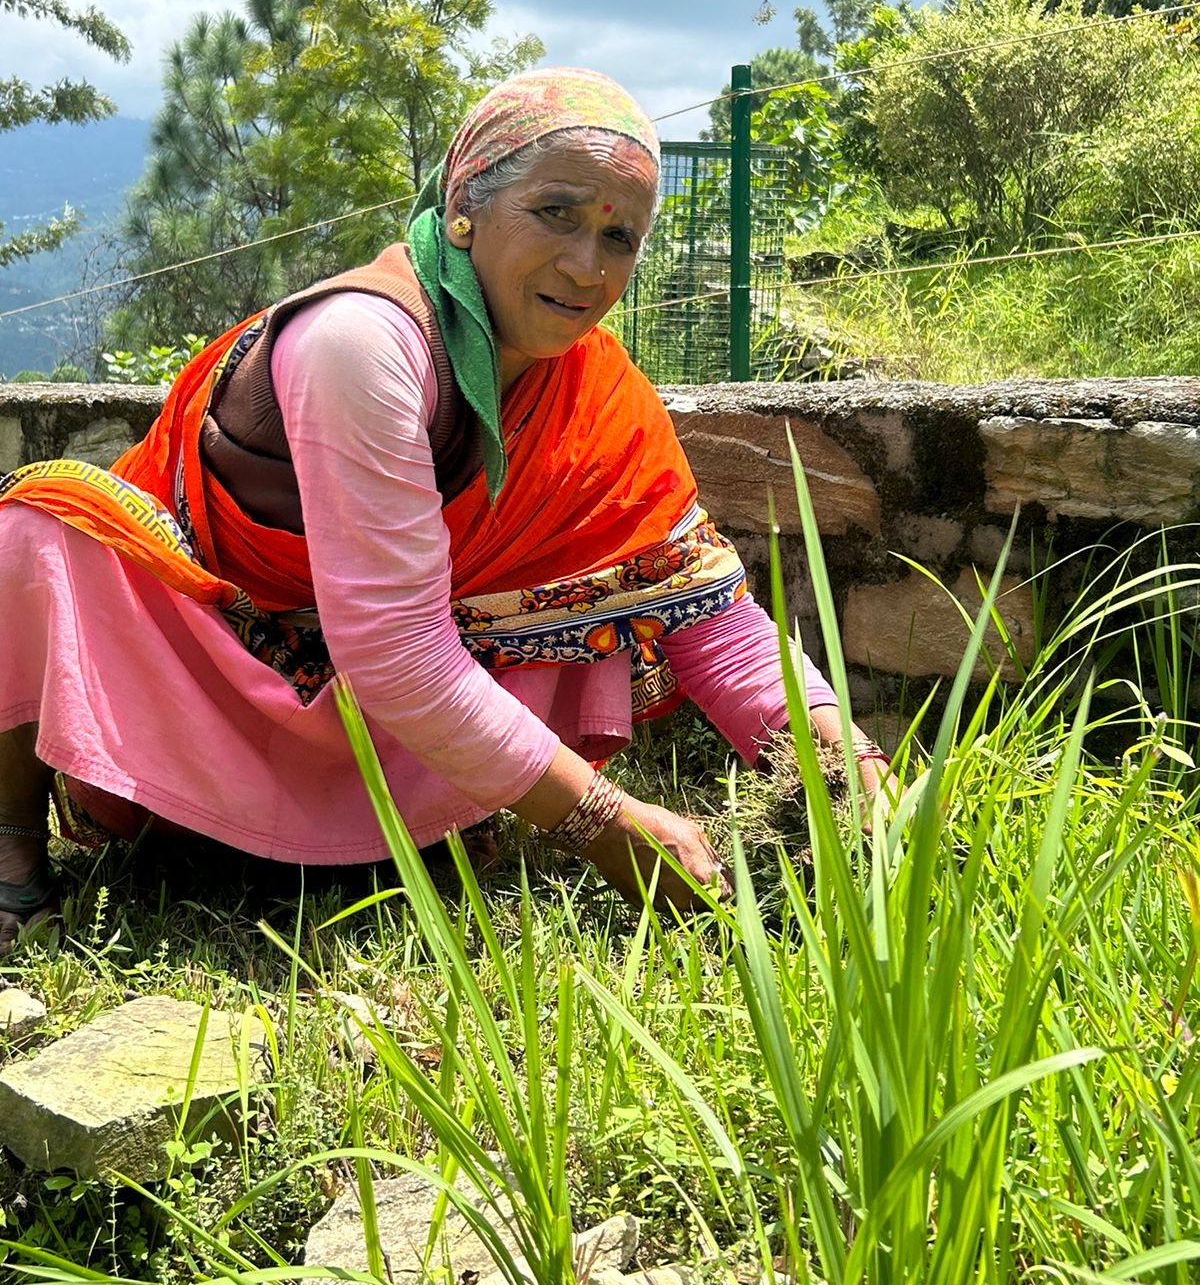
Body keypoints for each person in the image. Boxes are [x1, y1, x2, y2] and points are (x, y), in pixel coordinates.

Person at [0, 68, 890, 952]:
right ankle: (11, 852)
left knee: (605, 584)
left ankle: (409, 829)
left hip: (394, 710)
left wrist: (849, 767)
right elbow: (392, 650)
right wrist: (604, 823)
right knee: (33, 531)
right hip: (218, 678)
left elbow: (701, 608)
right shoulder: (363, 341)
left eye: (620, 237)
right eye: (557, 213)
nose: (588, 266)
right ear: (465, 205)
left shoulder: (587, 383)